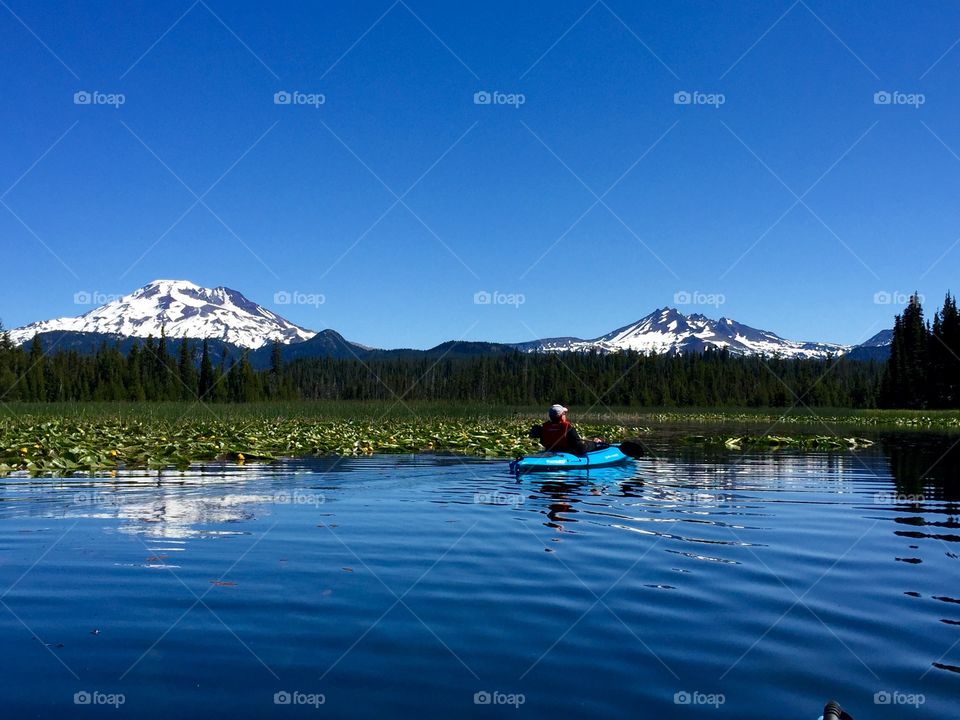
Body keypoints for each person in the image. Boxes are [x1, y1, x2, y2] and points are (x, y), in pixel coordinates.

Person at [529, 404, 605, 455]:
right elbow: (580, 448)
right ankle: (596, 442)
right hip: (566, 453)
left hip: (550, 452)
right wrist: (594, 444)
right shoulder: (569, 428)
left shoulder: (543, 428)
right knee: (584, 445)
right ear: (562, 416)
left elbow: (533, 434)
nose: (565, 416)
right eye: (564, 414)